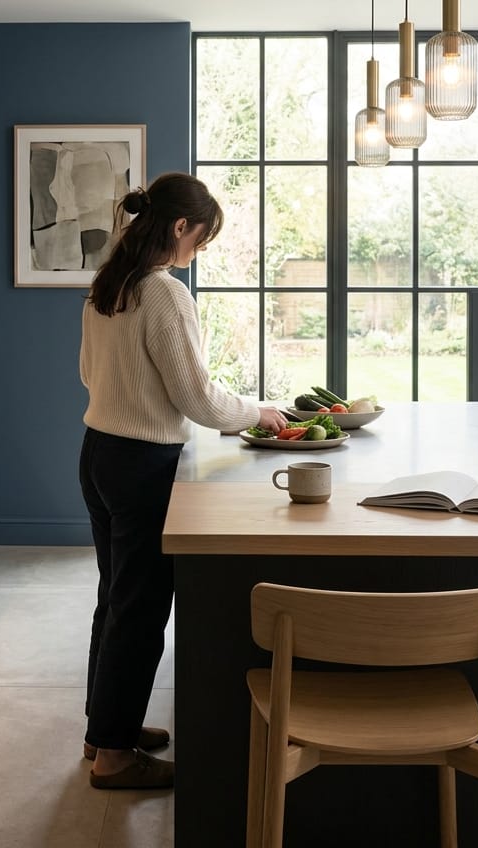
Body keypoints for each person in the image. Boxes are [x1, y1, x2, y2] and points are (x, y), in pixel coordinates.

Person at [78, 172, 287, 790]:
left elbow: (89, 374)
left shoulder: (106, 288)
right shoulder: (165, 294)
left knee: (113, 598)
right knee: (140, 611)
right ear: (178, 228)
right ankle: (114, 757)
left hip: (98, 455)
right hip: (143, 467)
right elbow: (196, 397)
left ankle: (103, 731)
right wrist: (258, 413)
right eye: (201, 236)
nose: (200, 249)